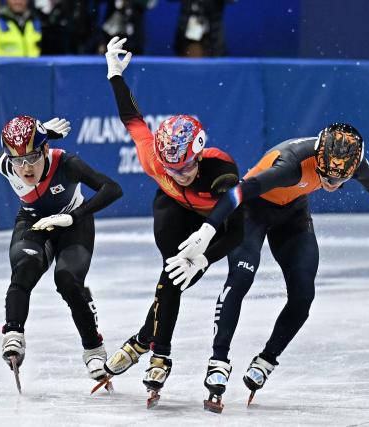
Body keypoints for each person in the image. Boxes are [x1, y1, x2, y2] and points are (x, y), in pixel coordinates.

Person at [166, 123, 369, 406]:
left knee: (304, 294)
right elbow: (238, 192)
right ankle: (218, 361)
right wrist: (207, 230)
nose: (330, 184)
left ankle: (267, 360)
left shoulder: (355, 164)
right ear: (318, 160)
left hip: (292, 212)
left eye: (338, 180)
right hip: (252, 209)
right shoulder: (290, 165)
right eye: (326, 177)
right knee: (242, 277)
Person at [100, 36, 245, 405]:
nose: (179, 173)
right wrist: (115, 75)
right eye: (171, 168)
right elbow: (132, 119)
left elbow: (235, 211)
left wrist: (207, 251)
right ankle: (160, 354)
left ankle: (142, 341)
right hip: (174, 211)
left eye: (185, 168)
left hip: (220, 221)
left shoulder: (218, 166)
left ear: (198, 156)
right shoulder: (154, 159)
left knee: (182, 273)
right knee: (172, 274)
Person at [0, 115, 123, 384]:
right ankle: (13, 333)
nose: (25, 168)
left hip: (72, 223)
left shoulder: (67, 164)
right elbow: (18, 151)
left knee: (67, 281)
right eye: (18, 161)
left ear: (44, 150)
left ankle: (93, 348)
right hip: (33, 221)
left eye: (32, 158)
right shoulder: (5, 165)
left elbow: (113, 189)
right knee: (24, 269)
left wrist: (75, 216)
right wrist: (41, 135)